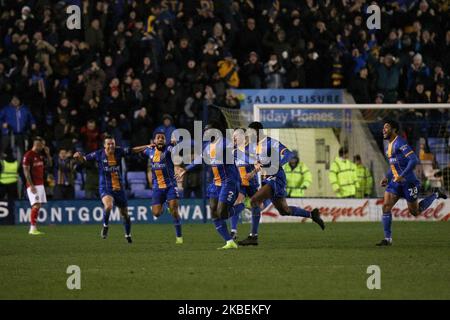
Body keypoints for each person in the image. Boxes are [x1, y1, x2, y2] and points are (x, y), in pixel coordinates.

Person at [238, 122, 324, 246]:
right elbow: (256, 162)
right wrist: (252, 172)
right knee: (284, 210)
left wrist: (279, 164)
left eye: (251, 132)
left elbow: (289, 154)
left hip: (276, 177)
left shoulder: (270, 142)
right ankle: (312, 214)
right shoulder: (253, 146)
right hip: (267, 178)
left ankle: (253, 236)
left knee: (254, 201)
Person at [377, 120, 447, 246]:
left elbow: (413, 160)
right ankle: (387, 239)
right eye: (383, 128)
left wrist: (402, 176)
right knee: (386, 207)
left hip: (408, 182)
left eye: (386, 127)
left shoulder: (400, 142)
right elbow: (394, 165)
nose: (383, 130)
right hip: (395, 181)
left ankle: (435, 194)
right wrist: (387, 177)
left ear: (394, 130)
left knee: (415, 212)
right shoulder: (388, 146)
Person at [178, 121, 240, 250]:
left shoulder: (224, 142)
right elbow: (200, 159)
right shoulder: (207, 146)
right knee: (213, 210)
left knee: (221, 212)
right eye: (205, 132)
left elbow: (229, 146)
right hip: (216, 183)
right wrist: (186, 169)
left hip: (228, 182)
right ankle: (229, 241)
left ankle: (240, 207)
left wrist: (233, 144)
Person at [73, 135, 144, 243]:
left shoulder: (119, 151)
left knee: (125, 214)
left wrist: (148, 146)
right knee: (109, 206)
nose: (111, 146)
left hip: (119, 188)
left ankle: (128, 235)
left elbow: (133, 150)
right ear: (104, 145)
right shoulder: (98, 154)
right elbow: (84, 159)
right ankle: (105, 226)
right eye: (108, 144)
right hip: (105, 187)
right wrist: (78, 157)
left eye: (112, 143)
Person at [139, 130, 183, 244]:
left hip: (170, 185)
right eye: (158, 138)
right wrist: (146, 146)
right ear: (154, 140)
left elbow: (174, 149)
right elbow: (136, 150)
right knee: (156, 213)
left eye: (162, 138)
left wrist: (174, 144)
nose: (160, 139)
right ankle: (165, 203)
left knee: (174, 209)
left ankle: (179, 237)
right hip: (157, 187)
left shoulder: (168, 149)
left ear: (165, 140)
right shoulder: (150, 151)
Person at [22, 136, 52, 235]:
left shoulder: (39, 155)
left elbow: (50, 165)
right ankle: (32, 229)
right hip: (33, 185)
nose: (43, 147)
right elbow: (26, 171)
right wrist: (31, 185)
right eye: (42, 145)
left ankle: (34, 227)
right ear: (37, 145)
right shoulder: (28, 155)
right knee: (36, 205)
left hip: (40, 184)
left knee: (38, 206)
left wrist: (48, 154)